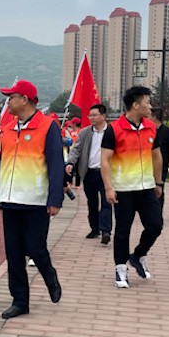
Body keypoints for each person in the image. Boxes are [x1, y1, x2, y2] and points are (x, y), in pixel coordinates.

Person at [0, 80, 65, 319]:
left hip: (36, 199)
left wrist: (55, 199)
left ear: (25, 99)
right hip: (10, 199)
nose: (7, 103)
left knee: (35, 248)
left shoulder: (48, 127)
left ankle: (50, 276)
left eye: (11, 98)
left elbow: (56, 164)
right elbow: (0, 163)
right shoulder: (8, 128)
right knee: (13, 253)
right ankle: (20, 301)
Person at [101, 86, 163, 289]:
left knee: (155, 225)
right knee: (122, 230)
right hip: (123, 189)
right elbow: (105, 159)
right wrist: (109, 188)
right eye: (147, 103)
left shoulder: (151, 127)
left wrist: (158, 182)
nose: (150, 107)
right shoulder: (114, 129)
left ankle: (137, 255)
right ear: (135, 105)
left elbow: (156, 155)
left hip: (146, 187)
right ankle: (120, 268)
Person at [65, 103, 112, 244]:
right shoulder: (85, 133)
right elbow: (76, 149)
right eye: (90, 115)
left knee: (106, 202)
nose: (91, 118)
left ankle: (106, 231)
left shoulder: (111, 132)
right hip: (89, 172)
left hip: (106, 173)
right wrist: (70, 162)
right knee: (92, 202)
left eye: (94, 115)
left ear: (103, 116)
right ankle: (94, 228)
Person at [147, 108, 169, 211]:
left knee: (159, 188)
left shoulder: (167, 132)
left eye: (148, 116)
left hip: (162, 166)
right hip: (147, 165)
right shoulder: (147, 131)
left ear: (154, 117)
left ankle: (158, 211)